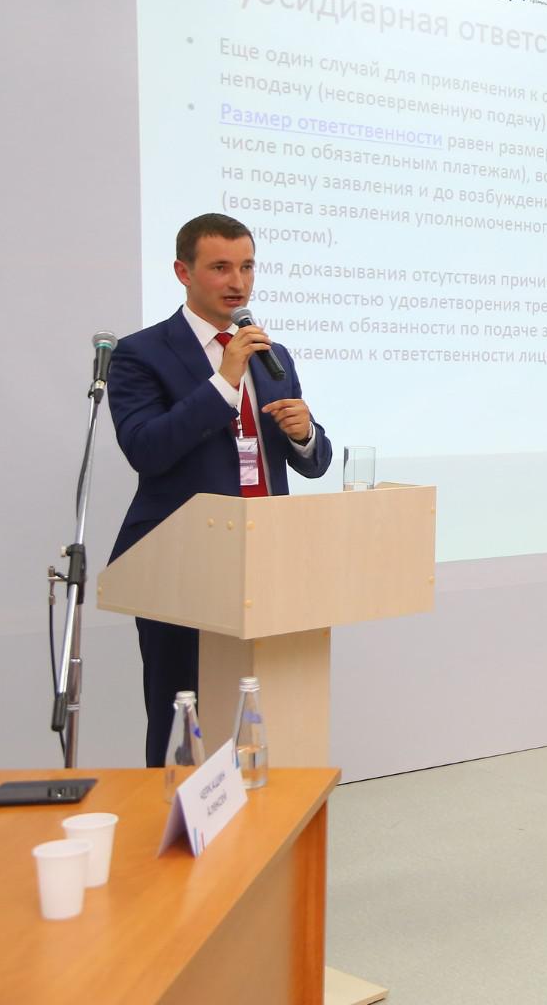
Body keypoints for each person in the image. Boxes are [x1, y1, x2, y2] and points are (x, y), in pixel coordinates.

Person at [107, 214, 332, 765]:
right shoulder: (141, 353)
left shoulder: (272, 356)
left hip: (265, 556)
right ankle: (174, 811)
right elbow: (146, 449)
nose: (238, 282)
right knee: (181, 711)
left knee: (261, 706)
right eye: (221, 268)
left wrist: (305, 434)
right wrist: (223, 381)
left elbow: (312, 463)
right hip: (178, 562)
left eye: (247, 267)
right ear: (183, 272)